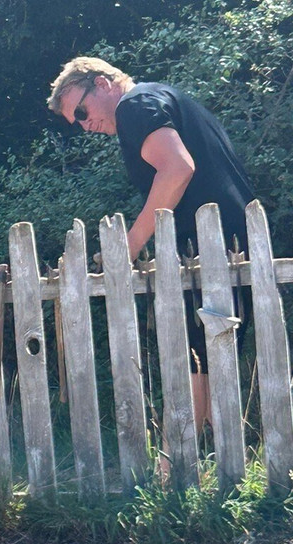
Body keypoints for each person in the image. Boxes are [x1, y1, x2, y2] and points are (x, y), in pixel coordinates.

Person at [47, 57, 255, 435]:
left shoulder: (134, 105)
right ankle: (196, 468)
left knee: (202, 353)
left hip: (213, 245)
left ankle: (174, 467)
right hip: (231, 242)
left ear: (103, 83)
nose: (85, 124)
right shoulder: (162, 97)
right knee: (209, 355)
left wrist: (129, 244)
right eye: (75, 122)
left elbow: (177, 168)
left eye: (82, 110)